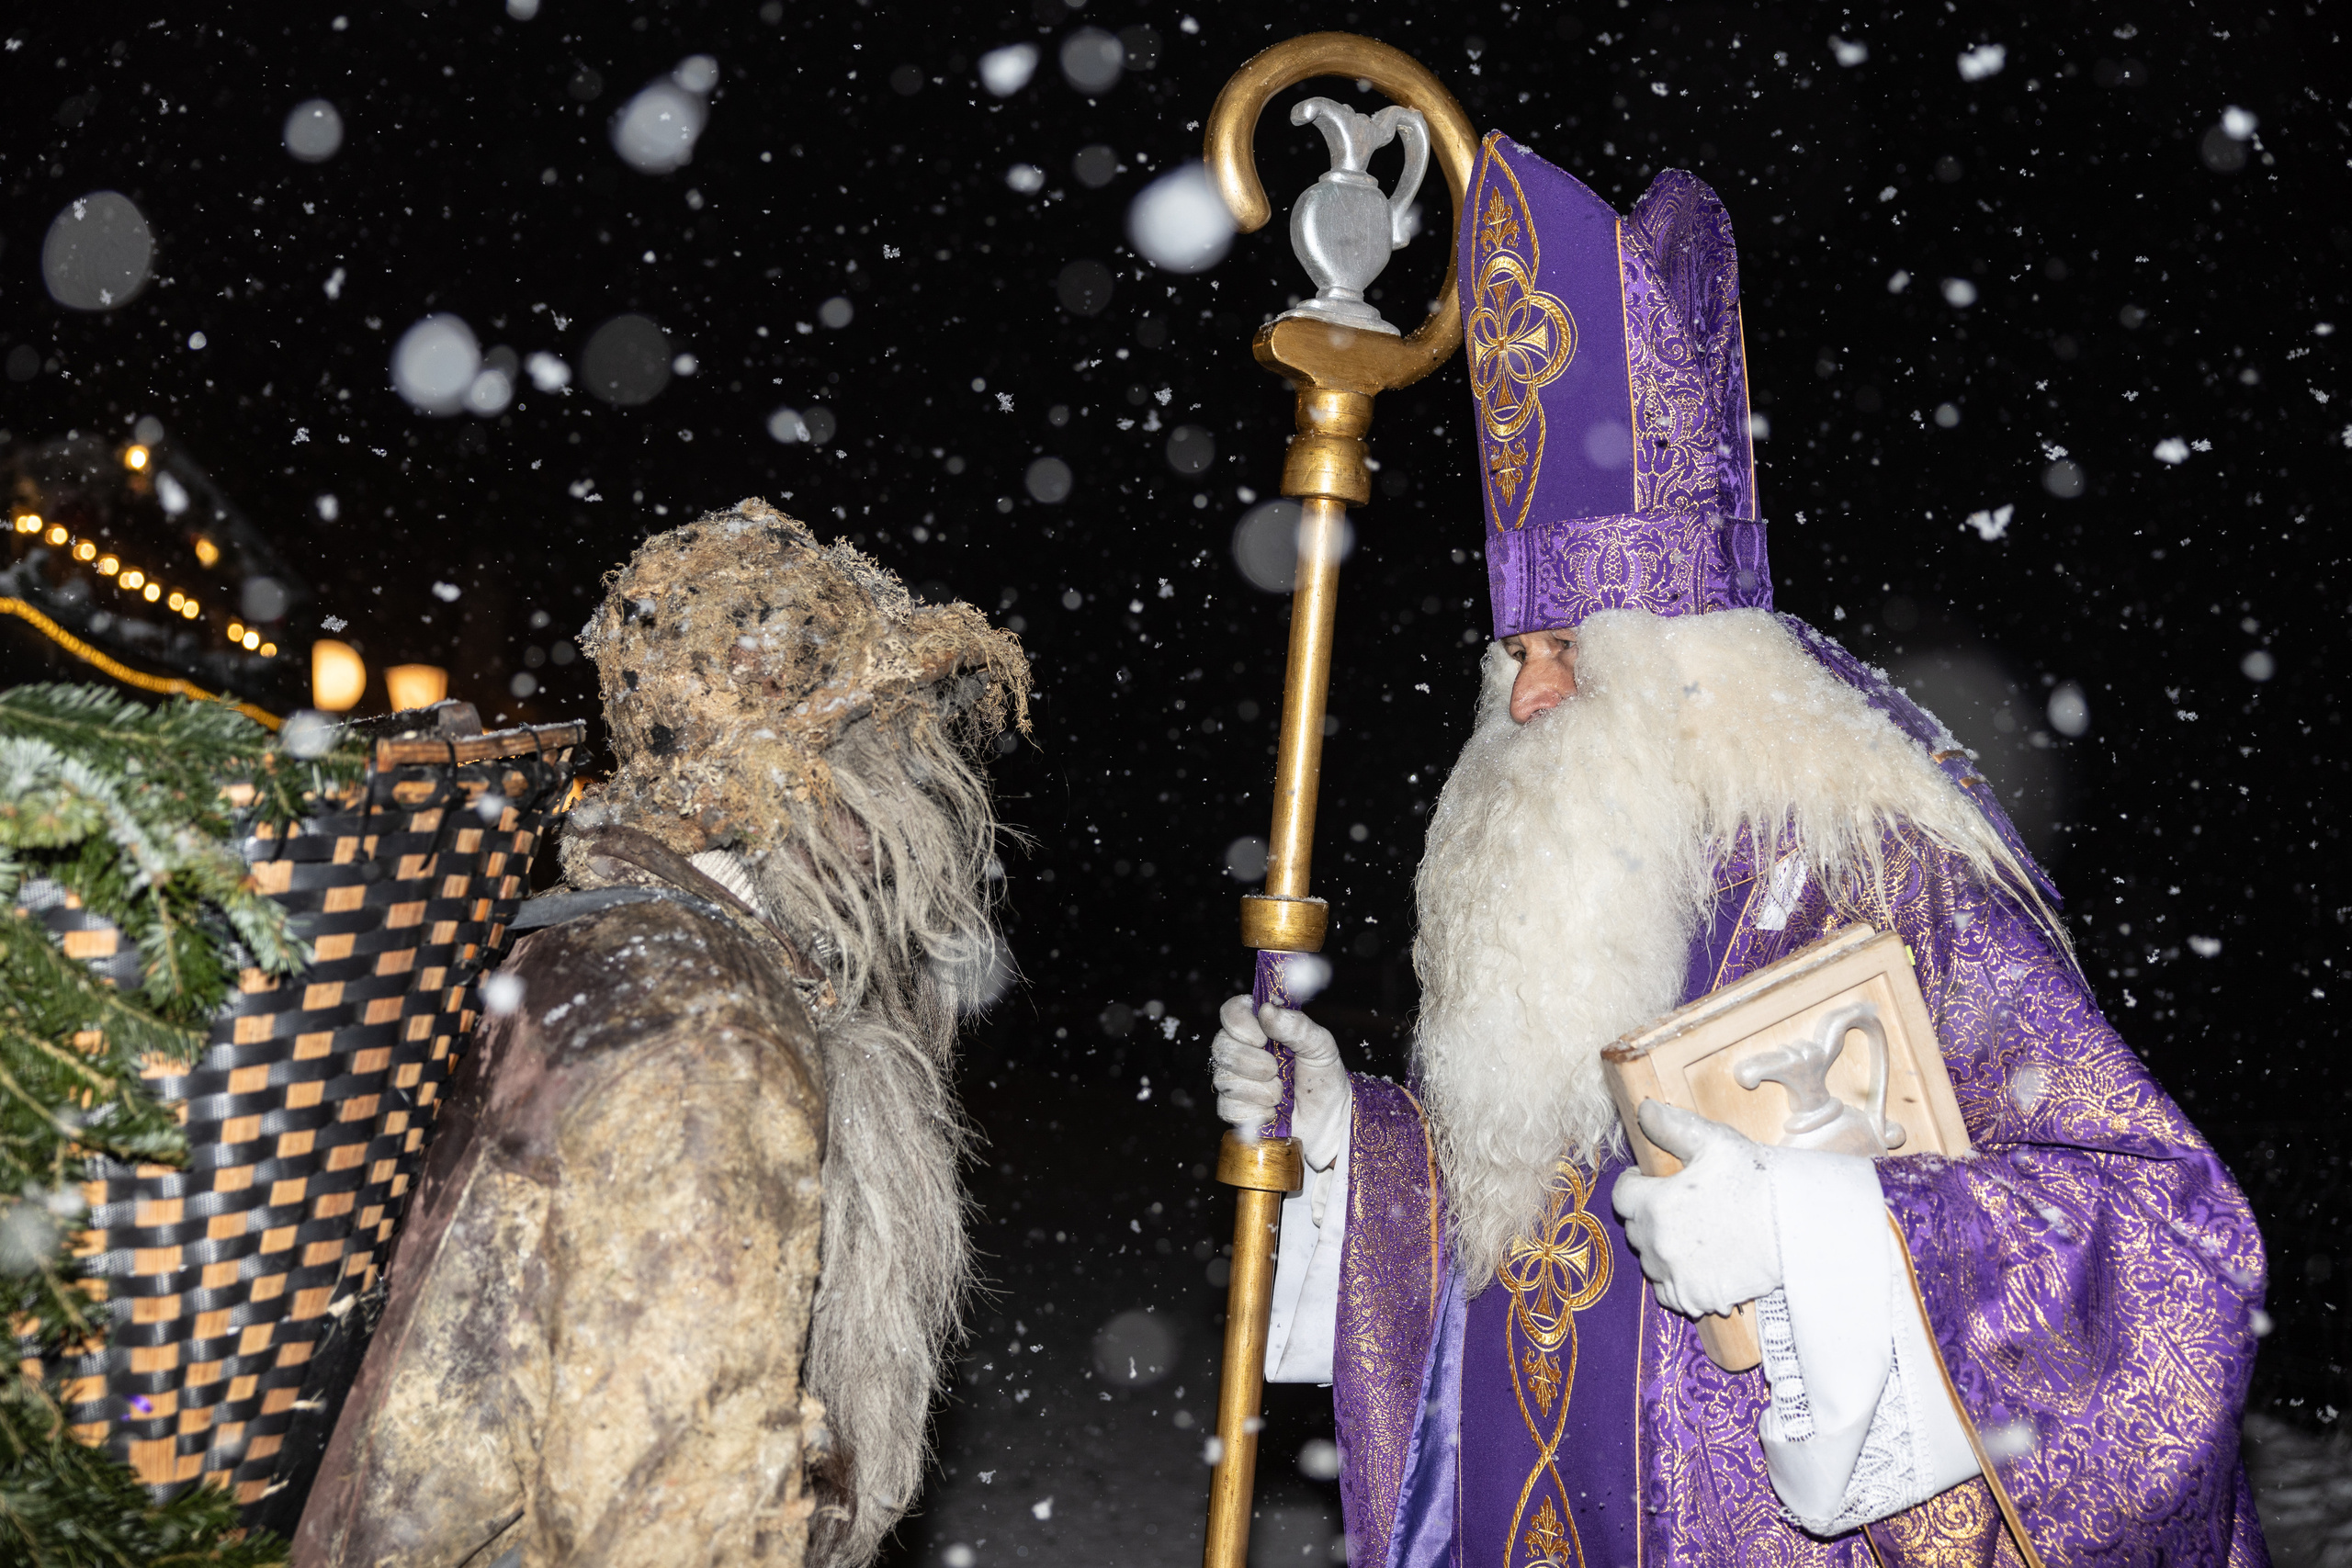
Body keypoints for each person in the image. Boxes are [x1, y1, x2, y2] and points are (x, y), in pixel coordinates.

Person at [1208, 135, 2267, 1567]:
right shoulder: (1565, 880)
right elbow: (1536, 1235)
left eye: (1571, 648)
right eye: (1515, 650)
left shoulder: (1880, 868)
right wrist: (1351, 1144)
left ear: (1695, 665)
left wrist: (1815, 1235)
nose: (1528, 698)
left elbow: (2169, 1246)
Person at [297, 502, 1028, 1568]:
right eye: (890, 754)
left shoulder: (593, 948)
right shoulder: (710, 1041)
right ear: (810, 787)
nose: (922, 805)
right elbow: (678, 1530)